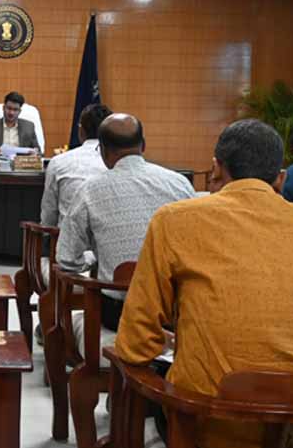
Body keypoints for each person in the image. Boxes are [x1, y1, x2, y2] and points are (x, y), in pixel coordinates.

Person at [115, 119, 293, 448]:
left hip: (208, 423)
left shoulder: (173, 221)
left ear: (216, 168)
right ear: (280, 179)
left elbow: (135, 341)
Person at [56, 113, 194, 331]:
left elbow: (66, 259)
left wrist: (93, 258)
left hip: (119, 315)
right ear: (143, 145)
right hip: (175, 312)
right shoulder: (180, 184)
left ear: (102, 151)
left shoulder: (90, 190)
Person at [40, 103, 113, 227]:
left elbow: (48, 217)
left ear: (81, 130)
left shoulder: (58, 162)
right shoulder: (118, 163)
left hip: (66, 236)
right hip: (109, 235)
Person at [0, 91, 41, 157]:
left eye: (15, 109)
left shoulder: (29, 127)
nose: (11, 113)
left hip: (20, 163)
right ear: (3, 108)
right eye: (9, 108)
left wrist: (35, 154)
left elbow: (39, 152)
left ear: (19, 111)